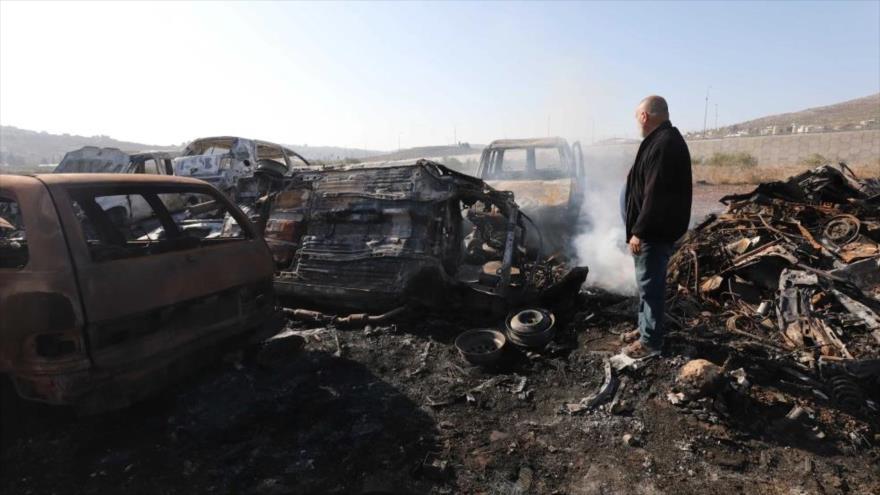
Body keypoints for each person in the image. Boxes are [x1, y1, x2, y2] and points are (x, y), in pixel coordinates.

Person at [620, 95, 692, 358]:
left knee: (651, 286)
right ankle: (645, 328)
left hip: (653, 232)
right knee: (645, 284)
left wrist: (639, 231)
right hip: (653, 230)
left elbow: (656, 194)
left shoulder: (665, 143)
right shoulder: (661, 140)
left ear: (644, 116)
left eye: (637, 117)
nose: (636, 122)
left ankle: (651, 342)